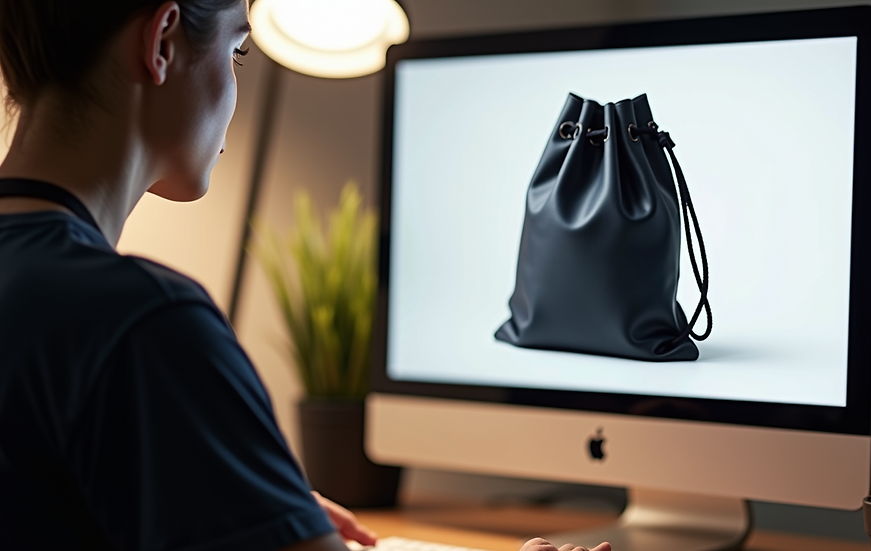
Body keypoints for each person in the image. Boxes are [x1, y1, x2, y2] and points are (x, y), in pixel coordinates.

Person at [0, 2, 614, 551]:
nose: (235, 87)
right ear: (162, 41)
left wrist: (251, 507)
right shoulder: (141, 324)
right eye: (238, 52)